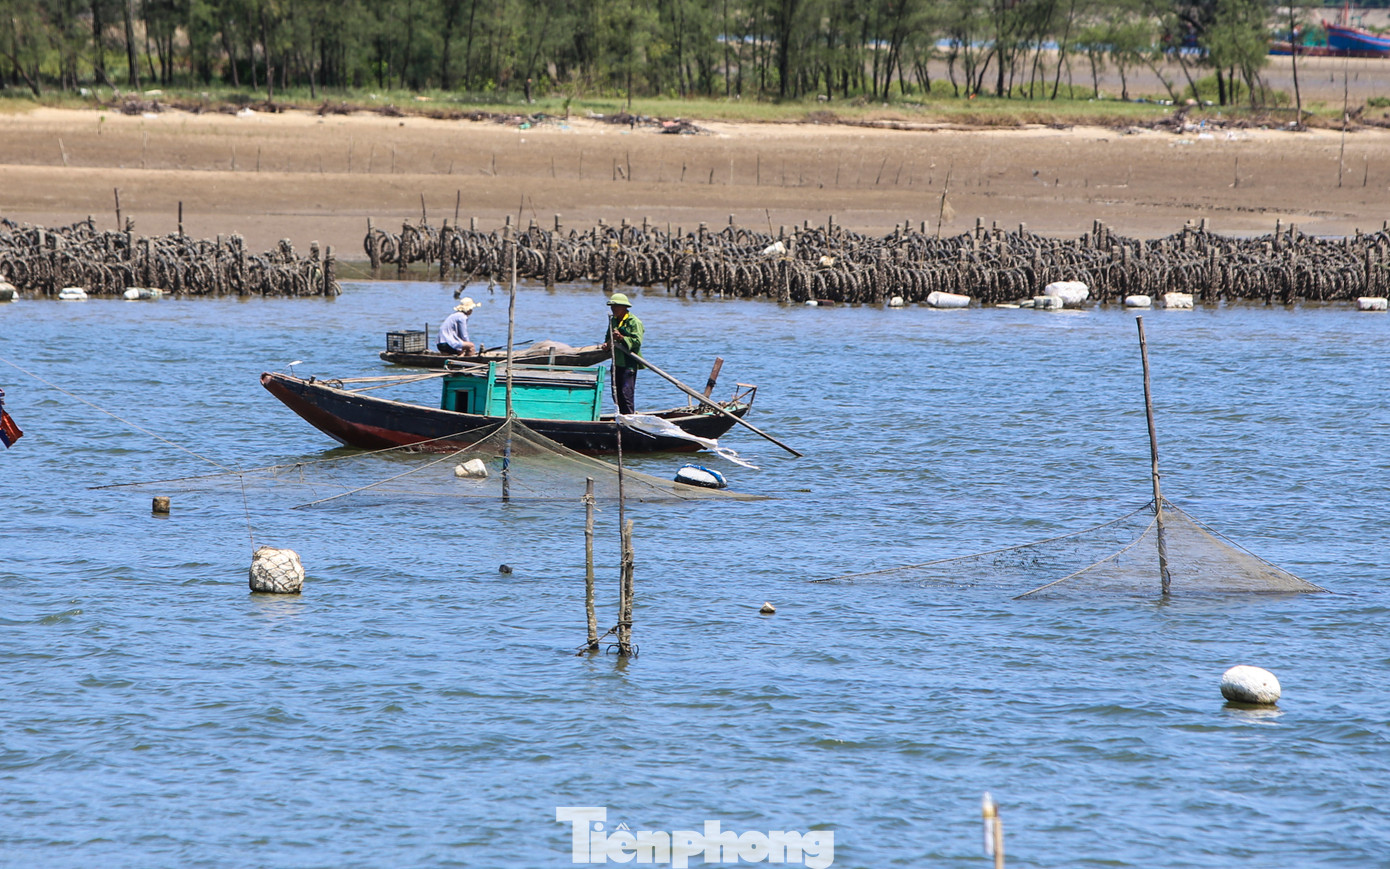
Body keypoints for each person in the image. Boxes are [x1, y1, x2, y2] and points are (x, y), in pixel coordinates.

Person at [600, 293, 643, 414]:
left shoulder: (634, 322)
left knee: (626, 394)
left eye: (616, 306)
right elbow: (608, 338)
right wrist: (606, 345)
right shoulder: (613, 320)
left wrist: (621, 338)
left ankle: (629, 418)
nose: (613, 309)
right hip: (616, 363)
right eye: (612, 307)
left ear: (624, 307)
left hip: (628, 363)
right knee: (616, 394)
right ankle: (620, 417)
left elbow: (637, 342)